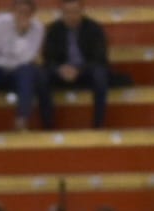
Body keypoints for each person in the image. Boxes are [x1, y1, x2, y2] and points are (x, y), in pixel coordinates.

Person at [0, 0, 44, 132]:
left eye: (26, 13)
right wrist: (10, 63)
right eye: (19, 12)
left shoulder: (37, 28)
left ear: (32, 14)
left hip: (19, 73)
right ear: (12, 11)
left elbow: (28, 58)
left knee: (28, 72)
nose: (22, 16)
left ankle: (21, 121)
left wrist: (22, 34)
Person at [38, 0, 109, 130]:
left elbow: (100, 57)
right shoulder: (53, 29)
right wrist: (60, 69)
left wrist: (79, 69)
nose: (72, 16)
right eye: (67, 12)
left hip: (85, 71)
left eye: (75, 12)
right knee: (42, 77)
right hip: (61, 72)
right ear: (62, 13)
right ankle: (48, 126)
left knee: (100, 74)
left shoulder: (94, 28)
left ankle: (98, 125)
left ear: (82, 11)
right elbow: (48, 58)